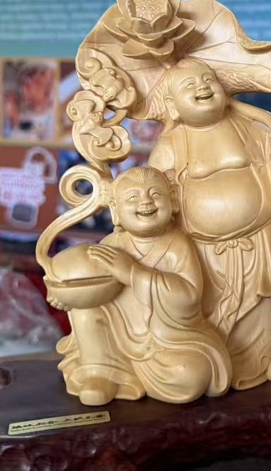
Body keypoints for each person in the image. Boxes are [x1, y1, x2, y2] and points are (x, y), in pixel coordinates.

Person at [149, 58, 271, 390]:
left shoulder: (251, 128)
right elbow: (154, 192)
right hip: (203, 249)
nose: (203, 87)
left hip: (260, 237)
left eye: (208, 79)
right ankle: (215, 361)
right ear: (172, 105)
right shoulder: (172, 145)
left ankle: (269, 357)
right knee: (209, 308)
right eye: (189, 85)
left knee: (263, 308)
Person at [48, 166, 231, 406]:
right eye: (133, 197)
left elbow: (189, 297)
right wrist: (67, 298)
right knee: (86, 310)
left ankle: (127, 374)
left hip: (166, 340)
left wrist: (132, 273)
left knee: (192, 375)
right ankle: (100, 373)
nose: (145, 202)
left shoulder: (177, 245)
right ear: (115, 211)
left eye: (155, 194)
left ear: (172, 201)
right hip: (116, 337)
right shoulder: (111, 244)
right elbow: (87, 283)